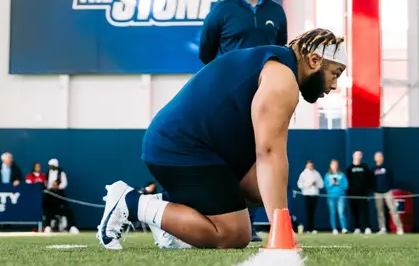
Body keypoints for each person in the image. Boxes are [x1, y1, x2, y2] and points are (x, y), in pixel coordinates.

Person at [97, 28, 346, 251]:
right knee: (234, 234)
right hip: (180, 147)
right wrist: (282, 229)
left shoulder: (275, 63)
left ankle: (167, 210)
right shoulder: (282, 79)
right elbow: (269, 152)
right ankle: (130, 203)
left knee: (264, 188)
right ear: (314, 61)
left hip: (190, 145)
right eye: (335, 73)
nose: (334, 85)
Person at [198, 0, 288, 244]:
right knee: (226, 161)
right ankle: (217, 220)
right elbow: (205, 53)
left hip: (263, 100)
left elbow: (282, 54)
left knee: (256, 161)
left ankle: (247, 226)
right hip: (227, 101)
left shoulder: (277, 13)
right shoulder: (222, 11)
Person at [44, 159, 79, 234]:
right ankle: (47, 227)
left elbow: (64, 183)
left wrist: (57, 187)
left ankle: (72, 227)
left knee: (69, 211)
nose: (51, 167)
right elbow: (46, 183)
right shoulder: (47, 173)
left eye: (52, 166)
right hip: (50, 194)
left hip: (59, 193)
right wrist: (51, 188)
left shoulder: (61, 173)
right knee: (47, 210)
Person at [372, 151, 403, 234]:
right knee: (380, 211)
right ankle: (382, 228)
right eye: (376, 156)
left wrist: (390, 189)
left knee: (393, 209)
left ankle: (399, 228)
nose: (378, 157)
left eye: (380, 156)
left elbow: (391, 179)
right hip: (377, 193)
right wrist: (374, 190)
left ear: (382, 158)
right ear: (375, 158)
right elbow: (372, 181)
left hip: (387, 192)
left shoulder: (387, 167)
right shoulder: (373, 169)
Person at [346, 150, 374, 234]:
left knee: (365, 211)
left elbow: (369, 180)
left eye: (360, 155)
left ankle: (367, 227)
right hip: (353, 195)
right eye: (357, 155)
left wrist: (369, 191)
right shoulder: (349, 169)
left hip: (363, 194)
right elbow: (347, 182)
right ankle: (357, 228)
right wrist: (349, 193)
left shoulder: (365, 167)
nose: (359, 156)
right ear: (353, 156)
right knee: (354, 211)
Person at [296, 160, 323, 233]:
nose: (311, 167)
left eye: (312, 165)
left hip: (314, 195)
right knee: (308, 212)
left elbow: (321, 184)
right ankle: (308, 229)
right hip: (307, 195)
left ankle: (313, 228)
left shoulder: (316, 173)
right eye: (309, 165)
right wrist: (308, 184)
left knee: (313, 212)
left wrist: (316, 184)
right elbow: (299, 185)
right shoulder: (303, 174)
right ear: (306, 165)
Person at [324, 160, 349, 234]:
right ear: (330, 166)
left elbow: (346, 186)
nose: (334, 166)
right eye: (333, 165)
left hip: (341, 196)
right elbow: (326, 187)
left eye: (336, 165)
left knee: (341, 212)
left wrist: (338, 184)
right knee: (332, 213)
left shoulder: (342, 175)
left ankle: (344, 228)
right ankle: (334, 229)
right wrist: (332, 184)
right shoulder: (327, 175)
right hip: (331, 197)